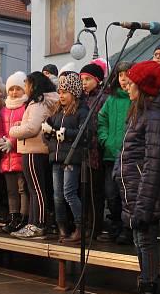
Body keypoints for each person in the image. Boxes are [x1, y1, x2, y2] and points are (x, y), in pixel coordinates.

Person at [114, 61, 160, 294]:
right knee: (139, 238)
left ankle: (149, 283)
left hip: (144, 189)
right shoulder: (138, 111)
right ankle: (144, 279)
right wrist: (117, 170)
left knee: (145, 239)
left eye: (132, 82)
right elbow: (127, 149)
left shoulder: (156, 115)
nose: (127, 85)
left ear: (144, 86)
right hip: (132, 186)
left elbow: (154, 161)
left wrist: (144, 202)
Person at [9, 72, 59, 240]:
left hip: (33, 150)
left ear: (34, 85)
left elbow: (32, 128)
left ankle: (38, 225)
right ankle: (33, 223)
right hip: (37, 149)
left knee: (36, 190)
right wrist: (21, 124)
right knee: (36, 190)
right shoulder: (44, 102)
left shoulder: (38, 103)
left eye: (27, 84)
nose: (25, 88)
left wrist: (13, 130)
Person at [43, 72, 89, 243]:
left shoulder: (81, 110)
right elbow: (47, 134)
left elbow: (85, 133)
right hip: (56, 158)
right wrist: (47, 133)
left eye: (65, 92)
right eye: (60, 92)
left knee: (69, 192)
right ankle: (62, 227)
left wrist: (65, 134)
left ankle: (80, 227)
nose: (61, 95)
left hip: (71, 158)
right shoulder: (57, 111)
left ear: (74, 93)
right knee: (57, 195)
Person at [97, 61, 133, 244]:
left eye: (127, 74)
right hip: (111, 155)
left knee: (127, 194)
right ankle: (116, 225)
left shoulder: (136, 98)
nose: (123, 78)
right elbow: (101, 119)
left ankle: (128, 229)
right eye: (120, 75)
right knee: (111, 195)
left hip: (130, 156)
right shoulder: (111, 99)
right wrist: (105, 140)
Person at [0, 71, 28, 233]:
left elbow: (24, 129)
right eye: (11, 89)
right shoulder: (3, 110)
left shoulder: (25, 107)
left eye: (18, 89)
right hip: (6, 158)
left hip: (21, 156)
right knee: (11, 190)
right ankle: (13, 215)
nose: (14, 92)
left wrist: (11, 142)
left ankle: (23, 217)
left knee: (22, 189)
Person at [79, 61, 108, 241]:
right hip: (83, 151)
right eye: (82, 79)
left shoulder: (103, 98)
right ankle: (87, 225)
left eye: (88, 79)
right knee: (84, 191)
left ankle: (96, 227)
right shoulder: (82, 99)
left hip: (97, 150)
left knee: (96, 192)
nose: (84, 83)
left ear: (97, 80)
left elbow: (101, 123)